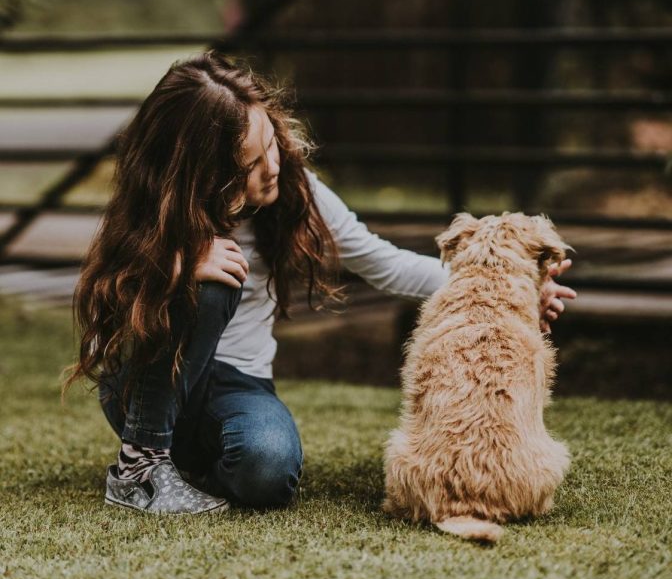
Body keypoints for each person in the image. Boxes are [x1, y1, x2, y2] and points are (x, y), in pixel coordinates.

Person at [64, 51, 576, 515]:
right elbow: (105, 297)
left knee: (268, 474)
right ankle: (140, 469)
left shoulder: (293, 187)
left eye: (271, 144)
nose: (274, 166)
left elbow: (382, 261)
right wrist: (176, 265)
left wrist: (511, 286)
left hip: (239, 382)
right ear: (203, 172)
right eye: (250, 163)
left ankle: (192, 471)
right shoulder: (156, 206)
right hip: (146, 381)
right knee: (216, 278)